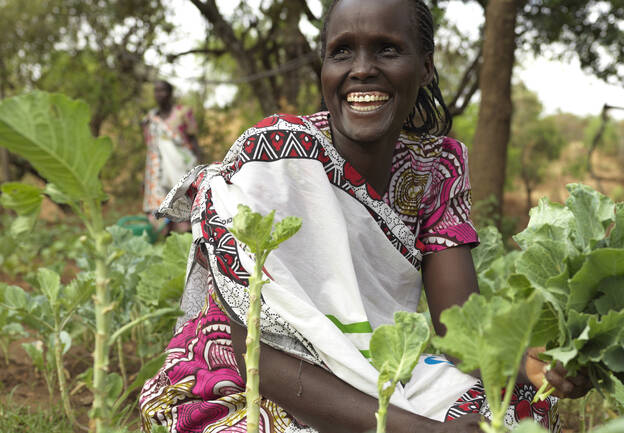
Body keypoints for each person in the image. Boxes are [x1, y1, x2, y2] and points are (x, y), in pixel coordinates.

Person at [138, 0, 590, 431]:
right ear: (325, 70)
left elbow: (458, 327)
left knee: (519, 403)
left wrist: (528, 364)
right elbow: (258, 351)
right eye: (341, 52)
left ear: (426, 66)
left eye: (387, 49)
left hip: (373, 368)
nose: (361, 69)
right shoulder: (276, 157)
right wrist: (420, 431)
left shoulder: (437, 168)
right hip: (244, 383)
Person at [141, 79, 201, 233]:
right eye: (156, 90)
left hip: (181, 169)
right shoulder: (151, 119)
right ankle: (166, 244)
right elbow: (151, 149)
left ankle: (187, 245)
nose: (159, 94)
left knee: (183, 211)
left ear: (170, 93)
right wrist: (145, 177)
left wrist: (198, 168)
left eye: (162, 90)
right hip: (158, 172)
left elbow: (193, 140)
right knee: (161, 212)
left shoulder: (183, 112)